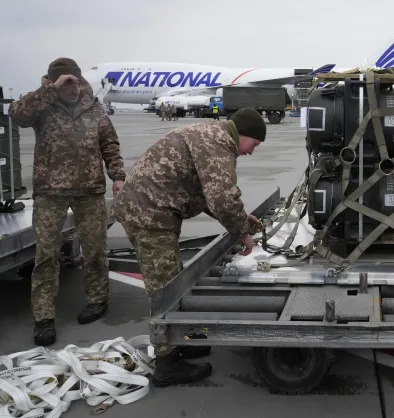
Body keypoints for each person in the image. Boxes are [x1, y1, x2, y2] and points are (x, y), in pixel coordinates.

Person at [111, 107, 265, 386]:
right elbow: (222, 197)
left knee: (172, 278)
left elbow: (206, 194)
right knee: (164, 288)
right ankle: (167, 363)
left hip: (150, 208)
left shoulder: (211, 135)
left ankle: (178, 342)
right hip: (149, 213)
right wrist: (243, 230)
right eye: (253, 144)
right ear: (243, 134)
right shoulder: (218, 142)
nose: (251, 152)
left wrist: (243, 219)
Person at [9, 58, 126, 346]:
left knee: (95, 249)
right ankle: (44, 317)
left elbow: (109, 142)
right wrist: (50, 91)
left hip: (90, 190)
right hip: (51, 192)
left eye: (76, 81)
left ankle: (98, 300)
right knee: (46, 255)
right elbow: (17, 116)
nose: (74, 87)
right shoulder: (42, 105)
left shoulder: (92, 105)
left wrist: (118, 176)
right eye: (67, 83)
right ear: (54, 82)